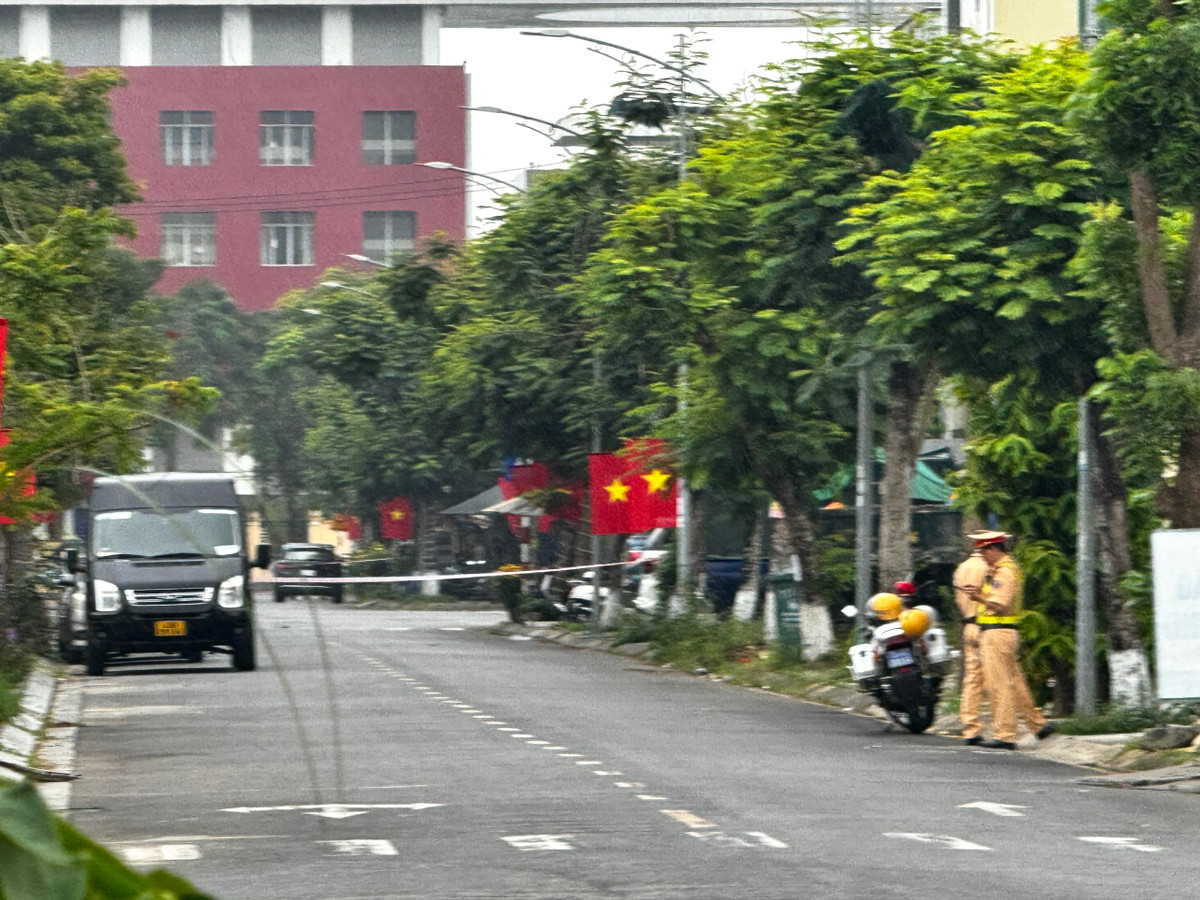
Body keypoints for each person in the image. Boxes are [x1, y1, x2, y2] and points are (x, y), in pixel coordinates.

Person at [967, 530, 1055, 750]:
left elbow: (1000, 604)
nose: (982, 556)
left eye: (984, 551)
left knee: (999, 685)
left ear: (994, 549)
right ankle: (1037, 725)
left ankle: (1005, 734)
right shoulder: (999, 570)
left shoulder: (1004, 572)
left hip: (997, 633)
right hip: (1000, 633)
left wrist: (978, 597)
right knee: (1015, 683)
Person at [952, 541, 989, 746]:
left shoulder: (962, 568)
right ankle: (1027, 724)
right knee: (1004, 677)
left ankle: (970, 728)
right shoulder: (990, 568)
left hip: (969, 626)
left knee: (972, 678)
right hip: (988, 628)